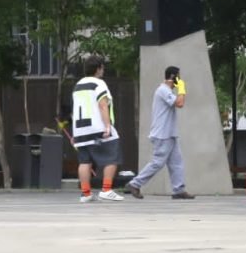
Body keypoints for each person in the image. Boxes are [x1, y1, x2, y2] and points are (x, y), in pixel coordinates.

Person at [126, 66, 195, 200]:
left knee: (176, 162)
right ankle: (135, 184)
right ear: (173, 77)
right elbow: (180, 103)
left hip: (169, 133)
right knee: (157, 162)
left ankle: (178, 190)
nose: (180, 80)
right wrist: (182, 88)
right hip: (163, 134)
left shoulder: (166, 90)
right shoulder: (163, 90)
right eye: (178, 77)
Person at [71, 56, 124, 203]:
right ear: (98, 68)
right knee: (113, 155)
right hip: (97, 126)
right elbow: (103, 105)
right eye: (102, 67)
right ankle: (106, 190)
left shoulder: (78, 85)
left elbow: (75, 109)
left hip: (80, 129)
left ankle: (86, 193)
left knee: (84, 161)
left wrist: (74, 132)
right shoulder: (99, 84)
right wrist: (107, 125)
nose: (103, 70)